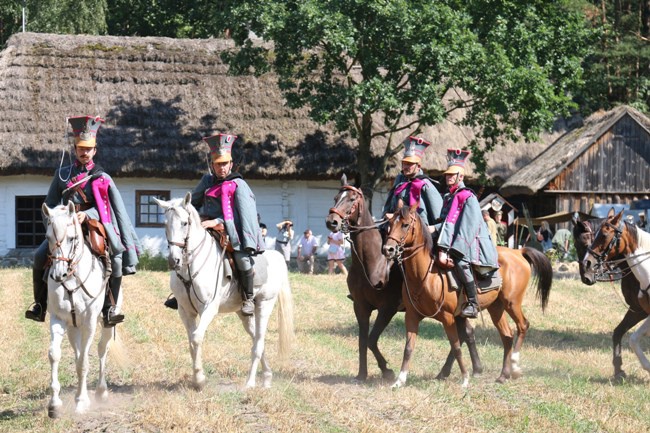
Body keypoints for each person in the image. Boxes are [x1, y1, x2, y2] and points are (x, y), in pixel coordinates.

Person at [25, 115, 141, 327]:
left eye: (88, 148)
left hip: (94, 224)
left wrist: (88, 215)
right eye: (80, 148)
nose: (84, 152)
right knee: (39, 256)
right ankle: (40, 305)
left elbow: (112, 209)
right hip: (66, 227)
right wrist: (55, 225)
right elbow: (49, 205)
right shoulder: (62, 175)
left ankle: (110, 308)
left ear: (94, 150)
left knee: (114, 259)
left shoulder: (102, 177)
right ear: (75, 148)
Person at [163, 133, 264, 316]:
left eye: (225, 164)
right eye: (218, 164)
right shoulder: (207, 181)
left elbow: (243, 215)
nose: (221, 168)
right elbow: (193, 203)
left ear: (231, 164)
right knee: (186, 251)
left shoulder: (238, 184)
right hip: (204, 226)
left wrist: (216, 221)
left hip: (230, 230)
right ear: (212, 165)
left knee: (241, 258)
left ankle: (248, 298)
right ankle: (180, 295)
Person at [435, 149, 499, 319]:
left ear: (460, 177)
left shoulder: (468, 197)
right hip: (450, 239)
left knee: (460, 262)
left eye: (452, 175)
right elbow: (445, 221)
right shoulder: (449, 196)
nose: (448, 177)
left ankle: (472, 302)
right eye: (447, 175)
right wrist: (432, 230)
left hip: (469, 241)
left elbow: (468, 227)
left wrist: (452, 248)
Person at [383, 136, 443, 232]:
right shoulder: (399, 180)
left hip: (419, 229)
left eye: (410, 164)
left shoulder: (425, 184)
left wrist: (436, 228)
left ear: (418, 166)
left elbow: (437, 211)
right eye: (404, 163)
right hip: (396, 226)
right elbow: (390, 202)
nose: (406, 166)